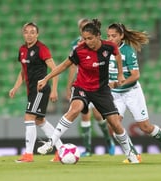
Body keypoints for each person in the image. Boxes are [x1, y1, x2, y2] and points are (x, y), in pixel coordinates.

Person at [37, 19, 140, 163]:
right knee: (75, 109)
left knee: (115, 123)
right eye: (84, 38)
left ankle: (130, 154)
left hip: (101, 90)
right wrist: (46, 78)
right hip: (82, 87)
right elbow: (64, 66)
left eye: (90, 38)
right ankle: (51, 142)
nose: (87, 41)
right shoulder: (79, 50)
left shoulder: (109, 47)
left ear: (98, 35)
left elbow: (117, 55)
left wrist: (121, 73)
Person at [106, 23, 161, 162]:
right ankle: (134, 155)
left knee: (145, 127)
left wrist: (118, 83)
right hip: (115, 95)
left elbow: (135, 75)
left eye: (114, 36)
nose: (110, 39)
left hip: (131, 92)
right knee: (113, 125)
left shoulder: (128, 51)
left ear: (121, 36)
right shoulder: (105, 50)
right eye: (108, 36)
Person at [9, 22, 63, 163]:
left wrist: (54, 90)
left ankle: (28, 154)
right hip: (31, 90)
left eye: (32, 32)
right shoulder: (22, 49)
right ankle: (61, 150)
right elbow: (23, 71)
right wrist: (15, 87)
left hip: (40, 88)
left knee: (29, 117)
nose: (29, 34)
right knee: (39, 120)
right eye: (26, 32)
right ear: (23, 34)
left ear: (37, 34)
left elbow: (55, 69)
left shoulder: (41, 49)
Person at [66, 18, 115, 157]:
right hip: (82, 83)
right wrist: (69, 86)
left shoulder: (98, 43)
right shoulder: (76, 44)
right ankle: (87, 149)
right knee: (84, 115)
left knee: (99, 115)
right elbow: (72, 65)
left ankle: (109, 141)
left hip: (97, 83)